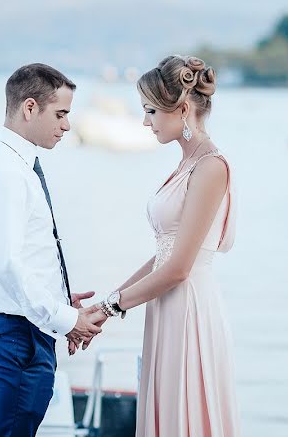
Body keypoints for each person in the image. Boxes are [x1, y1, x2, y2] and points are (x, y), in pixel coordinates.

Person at [82, 55, 240, 436]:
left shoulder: (210, 167)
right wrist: (106, 302)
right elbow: (163, 255)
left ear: (182, 109)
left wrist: (110, 307)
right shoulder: (186, 164)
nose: (145, 121)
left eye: (150, 110)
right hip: (166, 307)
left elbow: (179, 267)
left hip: (189, 311)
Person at [0, 63, 105, 436]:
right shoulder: (6, 173)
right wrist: (66, 319)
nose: (66, 126)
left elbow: (24, 255)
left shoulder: (17, 166)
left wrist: (60, 297)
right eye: (60, 114)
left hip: (25, 331)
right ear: (30, 108)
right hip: (16, 335)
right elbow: (6, 264)